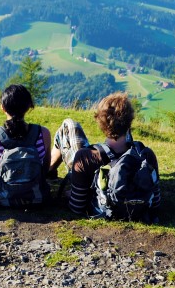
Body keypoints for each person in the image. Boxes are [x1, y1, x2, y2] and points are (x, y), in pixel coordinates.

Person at [53, 92, 162, 221]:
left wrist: (71, 195)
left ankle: (49, 171)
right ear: (130, 122)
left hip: (104, 212)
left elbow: (77, 207)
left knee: (69, 124)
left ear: (100, 122)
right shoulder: (146, 154)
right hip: (141, 212)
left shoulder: (86, 157)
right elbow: (155, 203)